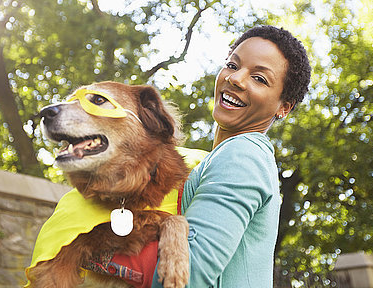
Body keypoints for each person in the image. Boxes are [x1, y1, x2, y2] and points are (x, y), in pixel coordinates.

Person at [109, 24, 312, 288]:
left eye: (260, 79)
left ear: (283, 107)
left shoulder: (243, 155)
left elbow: (186, 275)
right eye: (233, 65)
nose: (236, 79)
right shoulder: (219, 158)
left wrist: (97, 257)